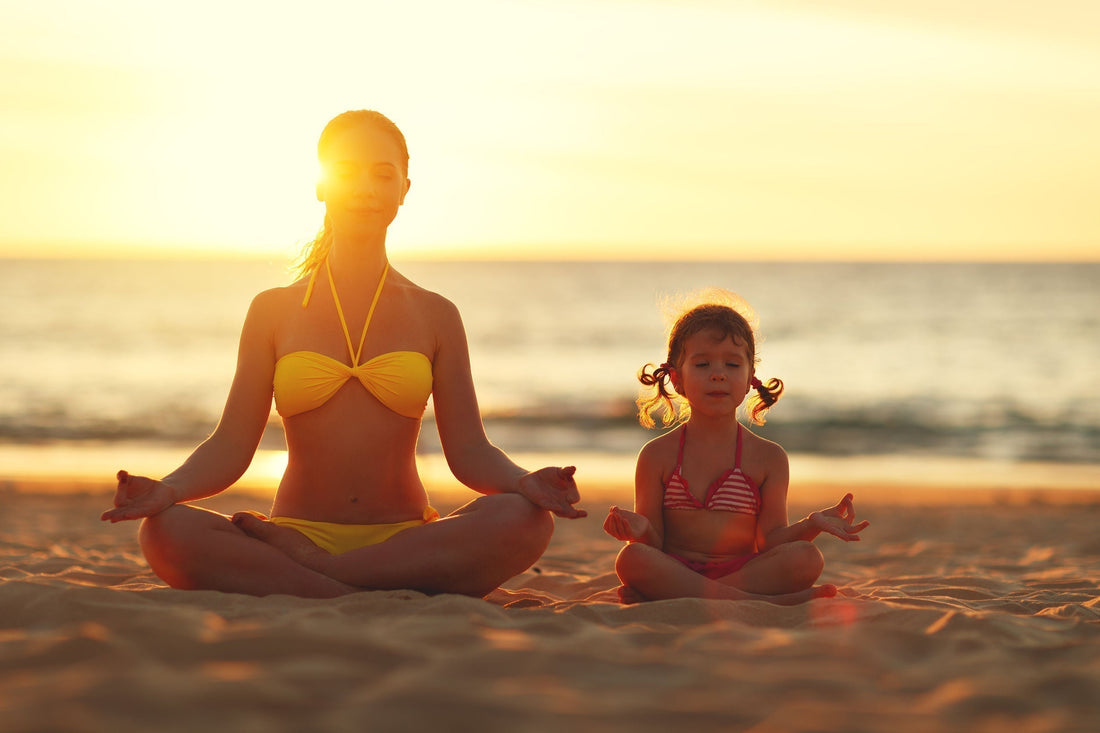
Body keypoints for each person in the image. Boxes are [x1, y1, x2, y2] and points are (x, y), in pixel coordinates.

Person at [102, 109, 585, 598]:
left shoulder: (436, 314)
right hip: (294, 529)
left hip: (403, 537)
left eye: (383, 174)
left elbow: (470, 452)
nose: (365, 188)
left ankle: (317, 576)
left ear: (405, 189)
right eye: (347, 171)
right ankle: (369, 584)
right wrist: (169, 489)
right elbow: (230, 445)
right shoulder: (272, 311)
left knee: (525, 520)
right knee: (165, 530)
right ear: (321, 185)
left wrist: (526, 483)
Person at [603, 292, 868, 604]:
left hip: (742, 571)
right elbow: (653, 543)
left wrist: (811, 525)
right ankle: (755, 601)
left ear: (748, 380)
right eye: (702, 364)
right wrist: (639, 527)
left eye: (732, 364)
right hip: (677, 568)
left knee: (807, 557)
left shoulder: (768, 458)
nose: (718, 374)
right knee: (631, 559)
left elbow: (769, 542)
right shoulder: (656, 455)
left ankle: (687, 596)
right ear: (677, 379)